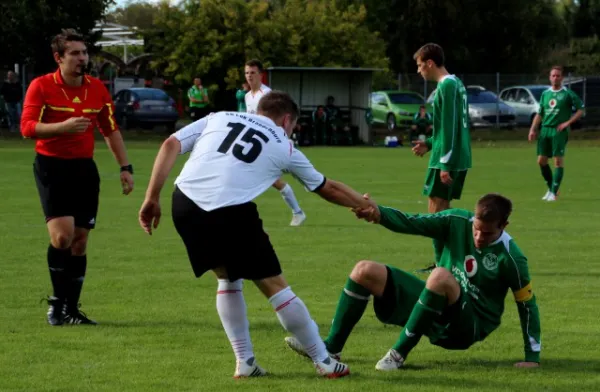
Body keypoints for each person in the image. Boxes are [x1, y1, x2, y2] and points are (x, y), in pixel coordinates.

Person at [139, 91, 375, 378]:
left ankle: (245, 362)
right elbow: (328, 188)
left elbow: (170, 143)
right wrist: (364, 205)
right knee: (275, 286)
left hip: (185, 203)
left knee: (227, 278)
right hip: (228, 210)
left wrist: (152, 196)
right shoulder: (284, 145)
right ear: (287, 120)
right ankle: (324, 361)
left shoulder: (219, 117)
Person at [285, 193, 541, 371]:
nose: (478, 236)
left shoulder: (512, 258)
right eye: (476, 228)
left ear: (504, 225)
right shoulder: (457, 220)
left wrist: (532, 356)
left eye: (487, 233)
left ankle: (397, 354)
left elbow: (527, 305)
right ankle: (330, 349)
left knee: (439, 275)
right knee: (364, 270)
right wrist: (378, 213)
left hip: (468, 325)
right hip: (439, 301)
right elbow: (412, 222)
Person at [20, 29, 134, 326]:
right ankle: (56, 306)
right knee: (62, 237)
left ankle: (71, 309)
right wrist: (62, 127)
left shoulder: (97, 88)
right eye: (75, 53)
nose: (82, 58)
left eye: (84, 52)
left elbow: (110, 130)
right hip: (51, 166)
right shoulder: (41, 86)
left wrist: (126, 167)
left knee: (80, 242)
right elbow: (27, 127)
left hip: (84, 169)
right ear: (58, 58)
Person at [411, 43, 472, 273]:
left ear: (429, 63)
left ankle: (443, 266)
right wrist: (428, 143)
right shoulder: (456, 83)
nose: (419, 71)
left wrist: (445, 162)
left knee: (435, 214)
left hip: (447, 158)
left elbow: (450, 126)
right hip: (452, 154)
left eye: (419, 66)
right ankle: (446, 262)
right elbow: (449, 125)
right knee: (441, 212)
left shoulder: (446, 86)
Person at [244, 59, 306, 226]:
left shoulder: (267, 95)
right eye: (247, 73)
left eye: (253, 73)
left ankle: (298, 210)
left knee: (272, 179)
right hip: (257, 143)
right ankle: (298, 211)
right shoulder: (247, 96)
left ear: (260, 75)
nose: (249, 76)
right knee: (268, 179)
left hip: (273, 143)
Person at [528, 66, 584, 202]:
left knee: (557, 161)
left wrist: (567, 123)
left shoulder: (568, 94)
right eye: (553, 75)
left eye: (558, 76)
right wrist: (533, 129)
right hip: (545, 130)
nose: (555, 78)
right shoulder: (545, 94)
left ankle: (553, 193)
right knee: (541, 161)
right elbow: (540, 113)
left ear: (562, 78)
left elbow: (581, 110)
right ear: (549, 77)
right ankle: (551, 188)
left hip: (559, 131)